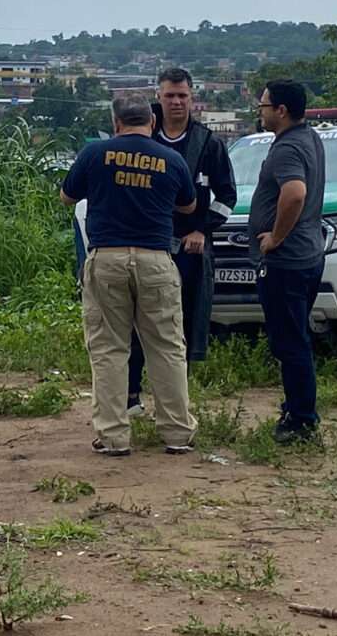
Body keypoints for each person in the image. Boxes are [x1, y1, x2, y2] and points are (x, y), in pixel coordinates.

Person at [60, 95, 199, 456]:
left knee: (109, 349)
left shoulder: (95, 154)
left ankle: (113, 436)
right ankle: (177, 433)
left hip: (106, 258)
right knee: (166, 347)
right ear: (152, 122)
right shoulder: (172, 159)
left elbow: (66, 196)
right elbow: (188, 204)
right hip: (156, 259)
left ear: (116, 122)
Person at [127, 68, 238, 416]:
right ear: (158, 96)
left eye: (183, 96)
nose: (176, 102)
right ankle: (131, 395)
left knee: (184, 324)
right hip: (145, 248)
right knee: (136, 322)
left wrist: (201, 230)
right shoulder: (143, 138)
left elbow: (227, 195)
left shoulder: (207, 144)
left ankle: (174, 402)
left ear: (192, 98)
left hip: (190, 252)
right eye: (170, 95)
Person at [248, 80, 326, 445]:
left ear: (281, 110)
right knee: (295, 338)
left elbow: (294, 194)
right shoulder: (309, 138)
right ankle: (296, 406)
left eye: (263, 105)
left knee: (290, 342)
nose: (259, 111)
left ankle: (301, 419)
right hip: (309, 254)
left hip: (287, 260)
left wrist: (275, 238)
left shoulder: (287, 149)